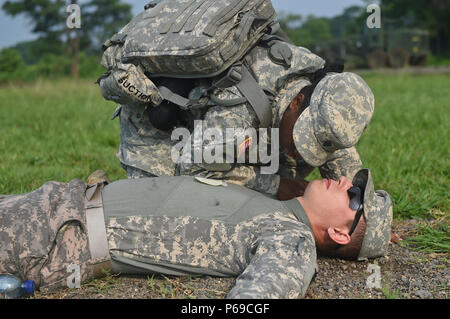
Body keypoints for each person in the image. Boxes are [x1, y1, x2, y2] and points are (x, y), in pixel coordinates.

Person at [0, 169, 392, 298]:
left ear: (341, 234)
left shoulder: (292, 242)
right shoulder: (276, 203)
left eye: (354, 195)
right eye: (353, 181)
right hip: (58, 203)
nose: (344, 181)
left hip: (56, 237)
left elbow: (257, 300)